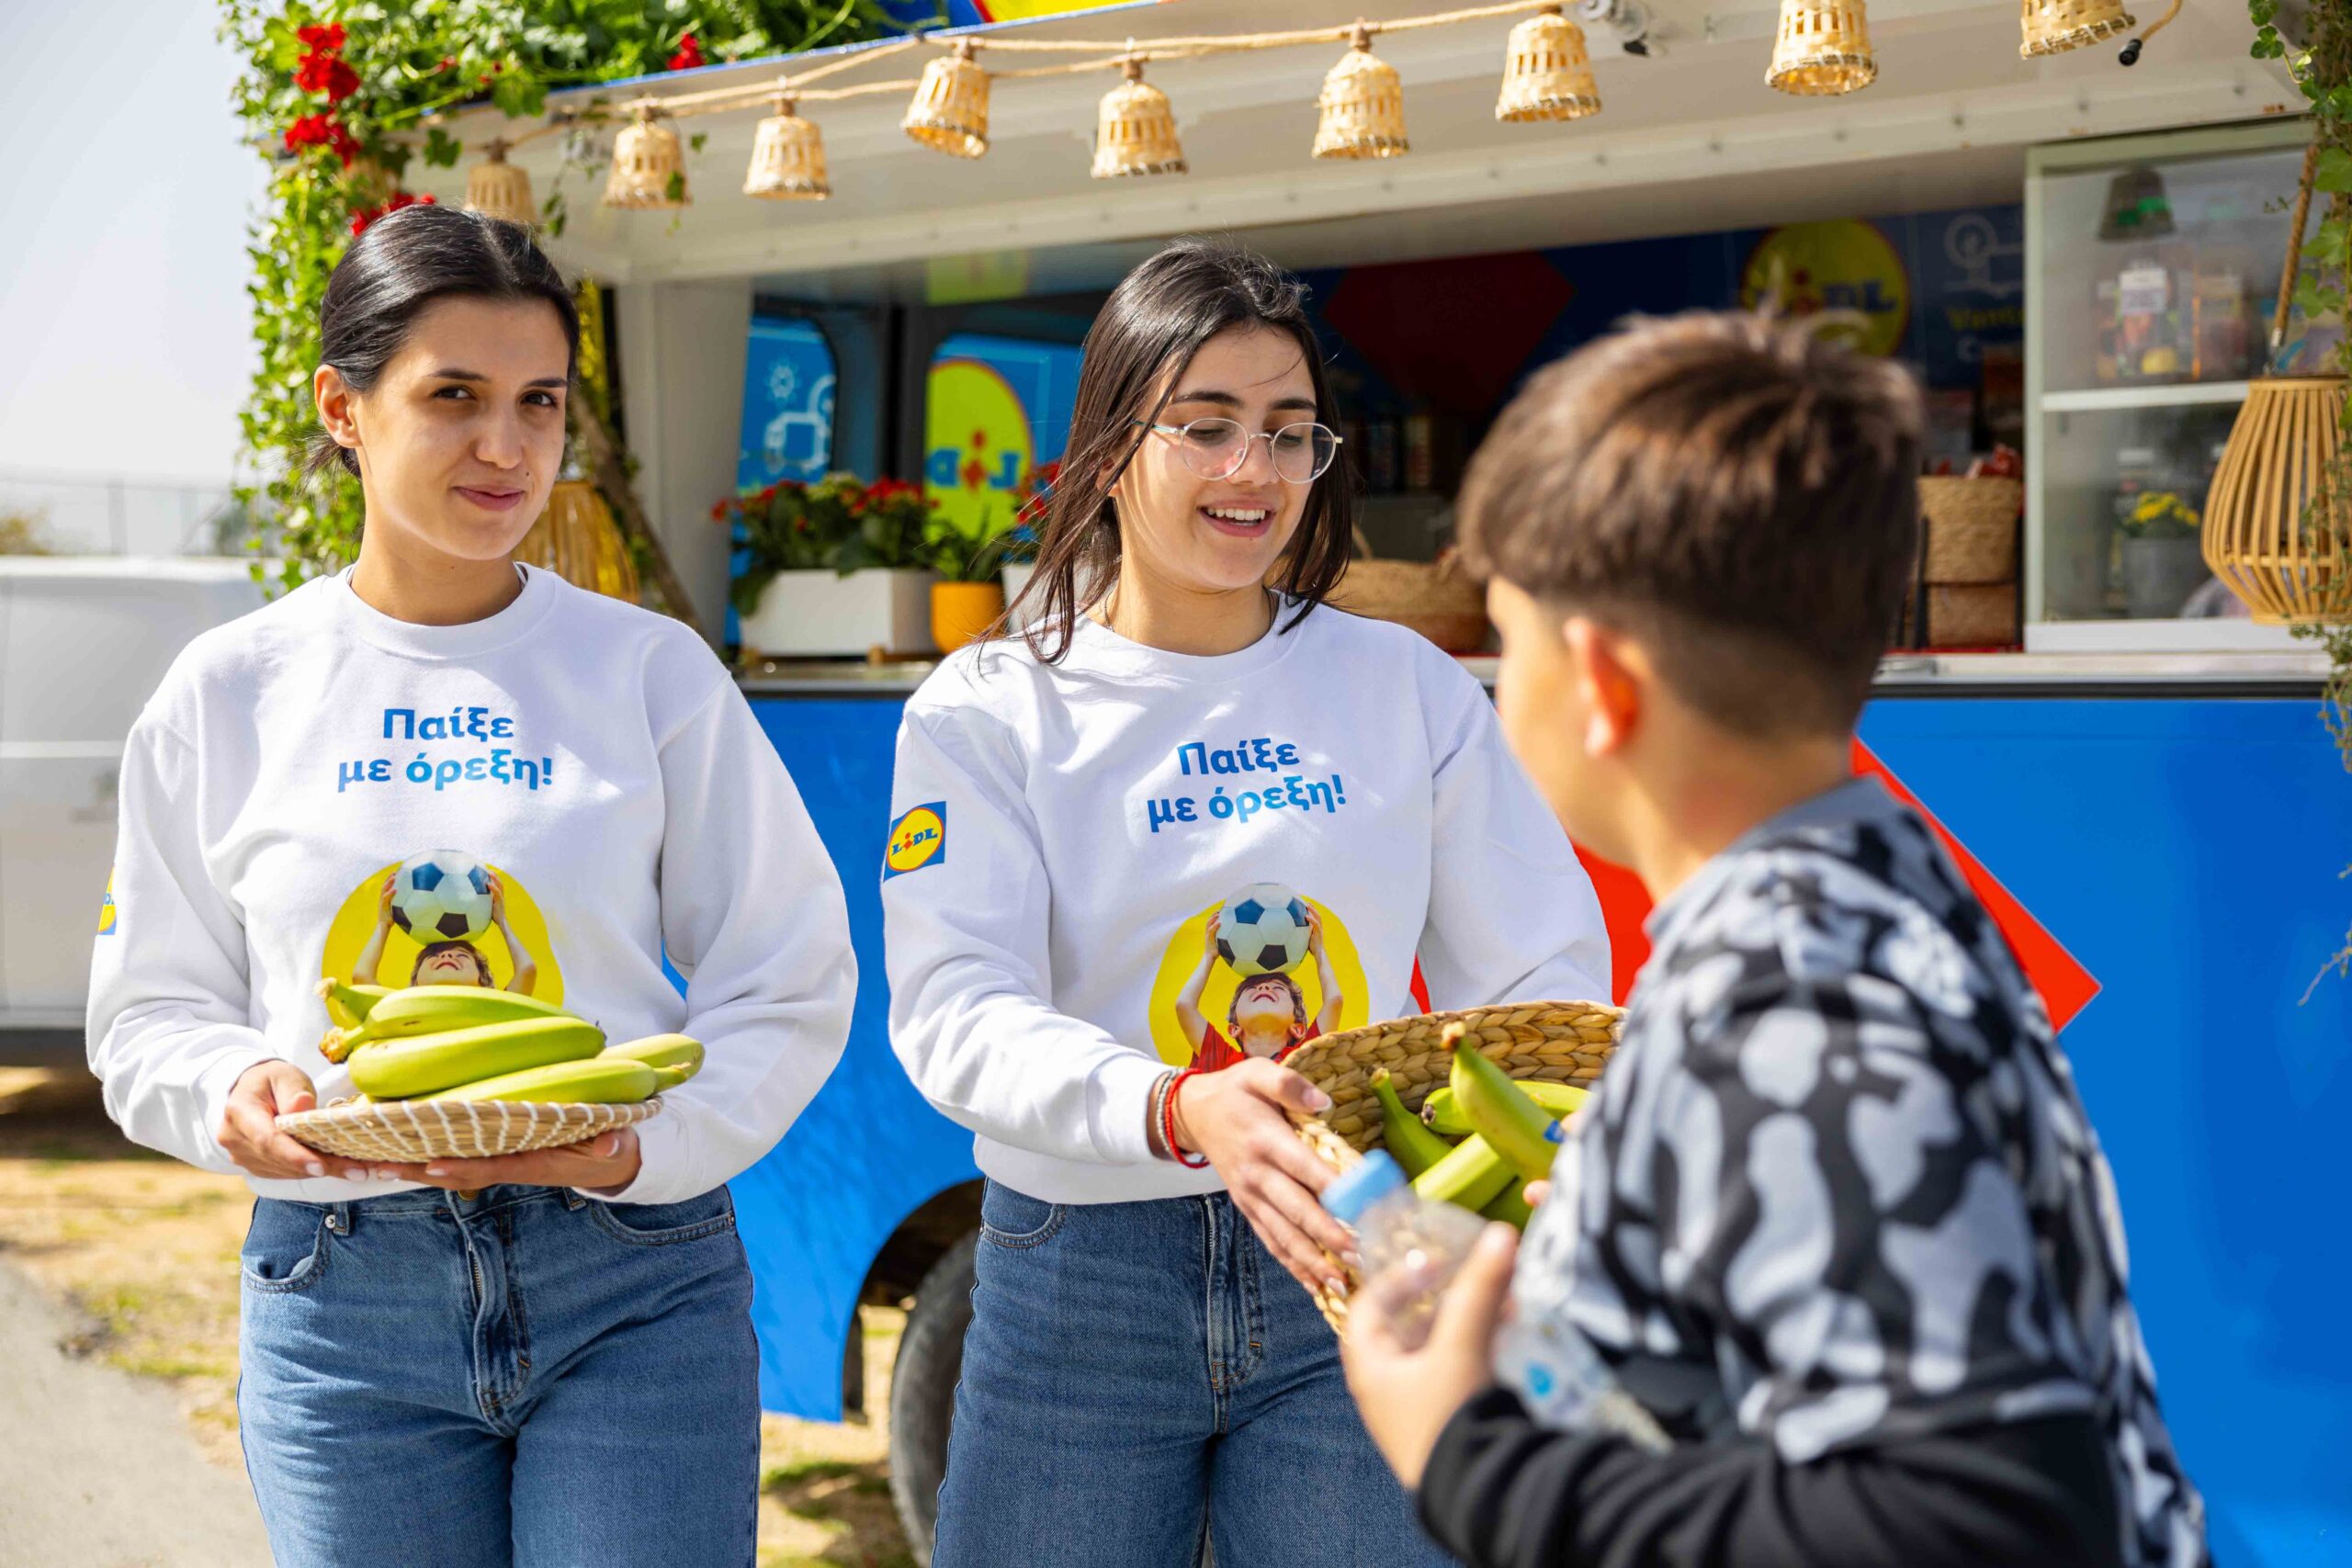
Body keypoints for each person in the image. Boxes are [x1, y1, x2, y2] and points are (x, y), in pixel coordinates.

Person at [1339, 311, 2209, 1568]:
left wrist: (1474, 1460)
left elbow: (1989, 1510)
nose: (1495, 681)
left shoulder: (1788, 1002)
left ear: (1601, 684)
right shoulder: (1875, 884)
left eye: (1506, 639)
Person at [85, 204, 856, 1568]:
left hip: (631, 1280)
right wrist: (230, 1089)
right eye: (454, 396)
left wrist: (646, 1148)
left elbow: (786, 972)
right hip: (344, 1296)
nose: (507, 446)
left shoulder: (649, 672)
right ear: (343, 408)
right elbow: (149, 1011)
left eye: (539, 401)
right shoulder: (230, 691)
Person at [880, 236, 1611, 1568]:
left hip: (1358, 1239)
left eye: (1288, 432)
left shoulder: (1405, 686)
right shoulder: (987, 708)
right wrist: (1175, 1106)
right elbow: (956, 1009)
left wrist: (1504, 1196)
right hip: (1081, 1279)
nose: (1253, 470)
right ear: (1109, 445)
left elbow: (1537, 976)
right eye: (1206, 426)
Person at [1173, 905, 1344, 1069]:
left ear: (1298, 1028)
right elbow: (1184, 1005)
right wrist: (1209, 955)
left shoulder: (1303, 1059)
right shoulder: (1221, 1060)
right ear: (1234, 1028)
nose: (1264, 989)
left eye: (1278, 988)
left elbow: (1334, 1001)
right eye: (1251, 990)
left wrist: (1319, 951)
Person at [354, 866, 537, 992]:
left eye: (462, 956)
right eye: (433, 956)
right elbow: (361, 979)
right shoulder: (398, 1009)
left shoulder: (498, 1008)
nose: (447, 956)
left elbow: (527, 971)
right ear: (416, 981)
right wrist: (383, 924)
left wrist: (502, 921)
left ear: (483, 981)